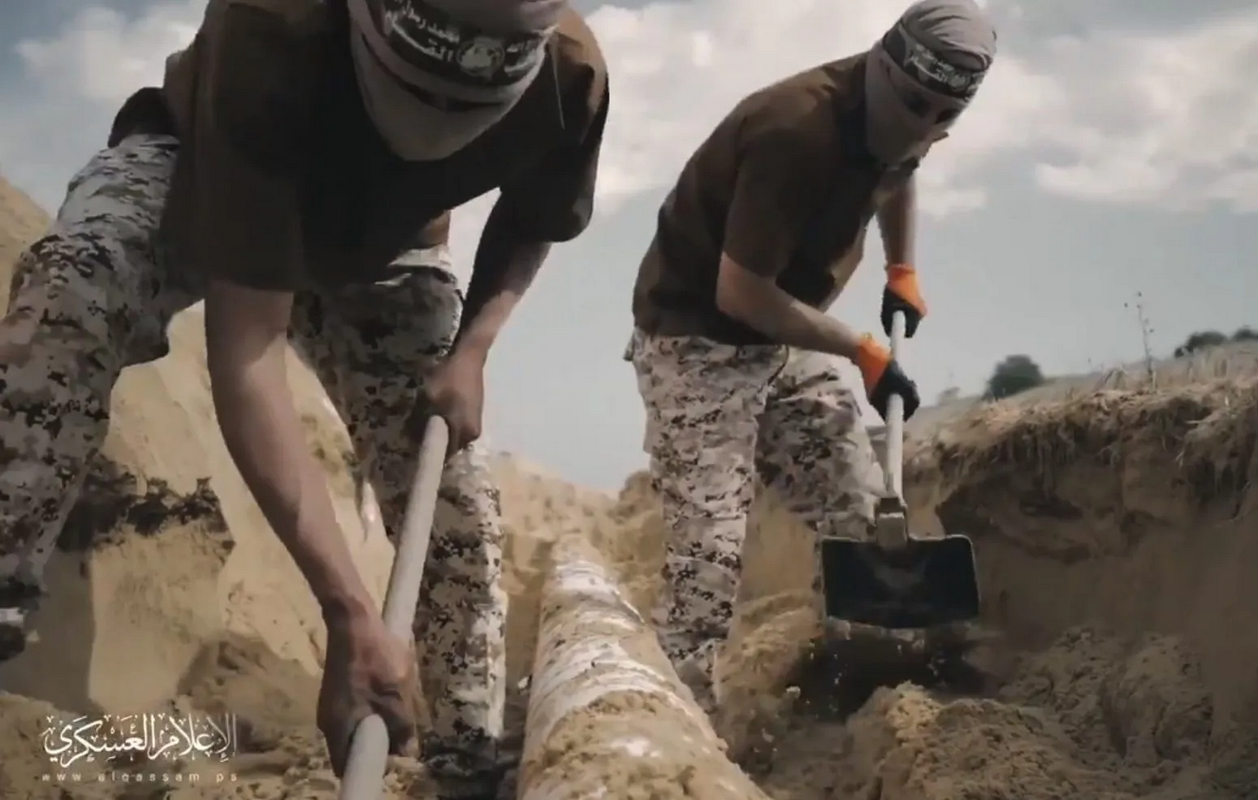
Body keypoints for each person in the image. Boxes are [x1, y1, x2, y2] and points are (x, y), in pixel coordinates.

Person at [0, 0, 608, 795]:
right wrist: (348, 610)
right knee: (71, 299)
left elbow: (533, 217)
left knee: (457, 503)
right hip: (203, 174)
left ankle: (466, 758)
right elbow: (247, 348)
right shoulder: (272, 23)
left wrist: (472, 351)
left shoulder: (570, 73)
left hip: (391, 238)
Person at [625, 0, 996, 706]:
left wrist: (901, 269)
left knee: (861, 513)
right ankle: (678, 725)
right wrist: (860, 350)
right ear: (884, 66)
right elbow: (741, 295)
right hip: (696, 339)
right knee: (708, 560)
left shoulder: (909, 122)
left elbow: (900, 166)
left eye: (942, 117)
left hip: (781, 341)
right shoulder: (794, 130)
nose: (924, 125)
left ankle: (854, 676)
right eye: (915, 104)